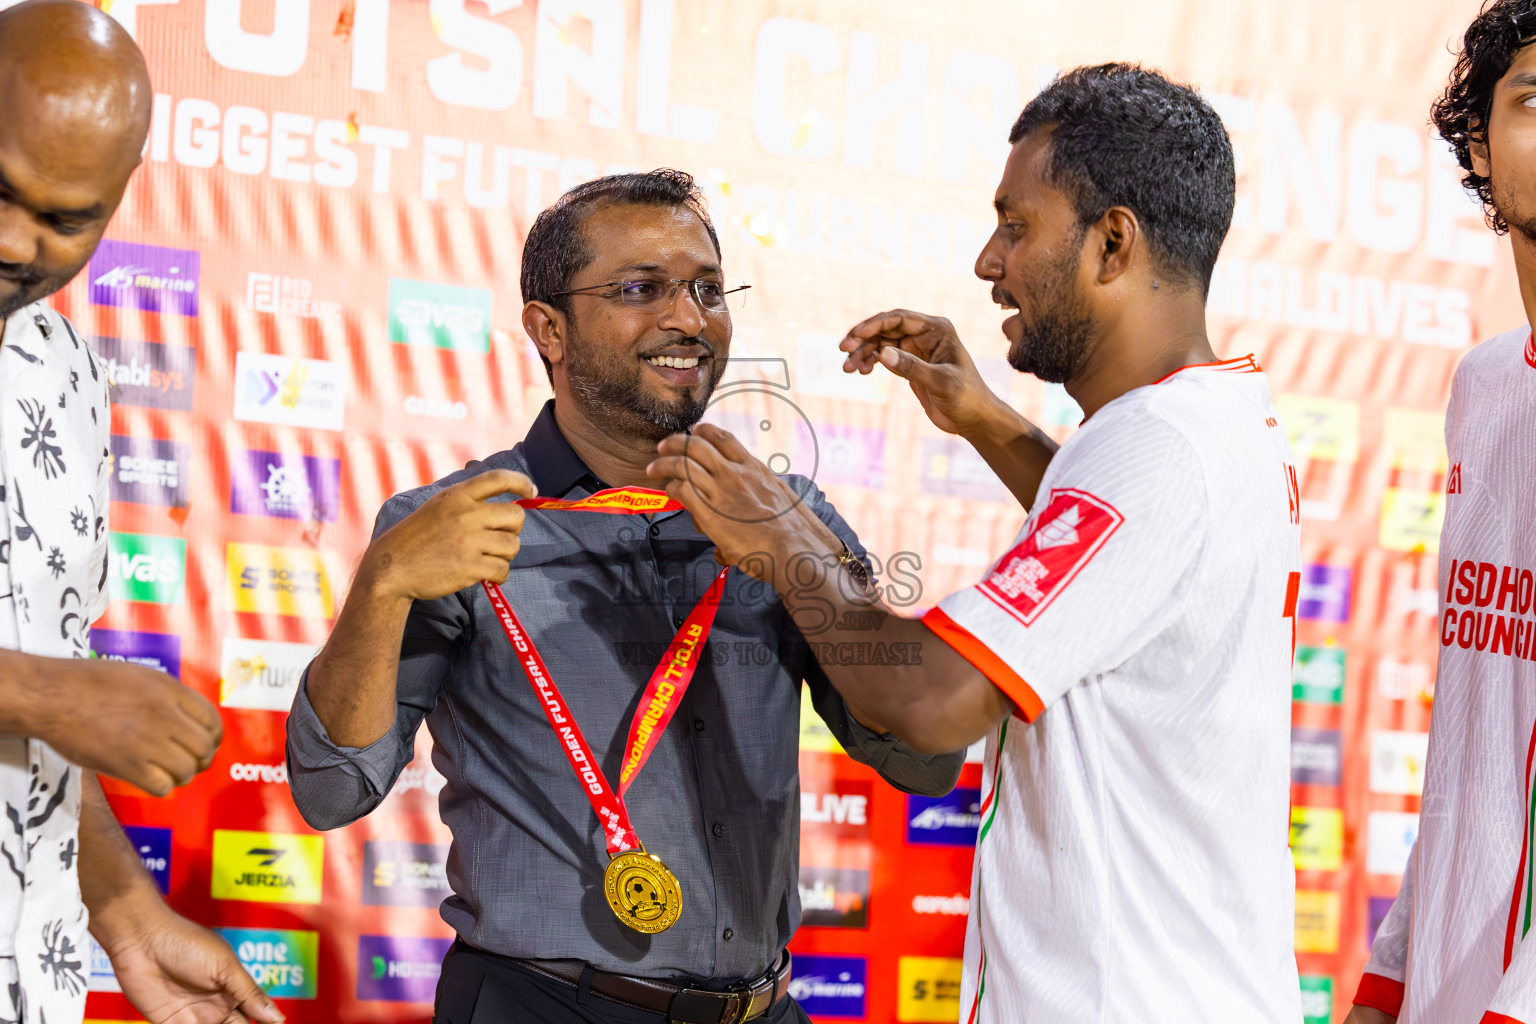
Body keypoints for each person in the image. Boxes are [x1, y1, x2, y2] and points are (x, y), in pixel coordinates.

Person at [647, 64, 1304, 1022]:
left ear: (1112, 242)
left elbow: (928, 701)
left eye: (1017, 224)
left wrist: (783, 539)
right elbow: (1131, 572)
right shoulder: (1218, 422)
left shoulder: (1154, 448)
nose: (989, 262)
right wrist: (988, 422)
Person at [286, 168, 965, 1024]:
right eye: (642, 288)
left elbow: (922, 759)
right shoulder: (449, 525)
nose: (688, 319)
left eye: (709, 290)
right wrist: (381, 586)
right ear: (549, 328)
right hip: (540, 1008)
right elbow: (330, 790)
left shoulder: (788, 516)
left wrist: (800, 561)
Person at [0, 3, 279, 1023]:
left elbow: (40, 710)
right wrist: (39, 693)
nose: (12, 238)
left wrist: (123, 909)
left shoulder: (66, 369)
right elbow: (42, 693)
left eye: (62, 216)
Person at [1348, 3, 1536, 1021]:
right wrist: (1390, 971)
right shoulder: (1487, 386)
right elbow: (1477, 739)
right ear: (1478, 142)